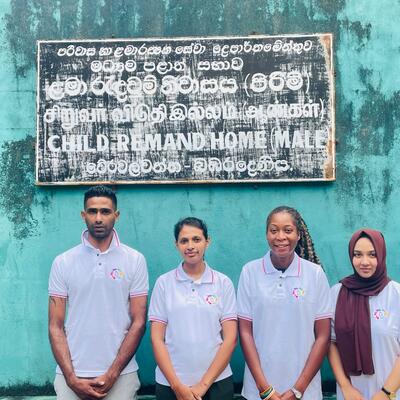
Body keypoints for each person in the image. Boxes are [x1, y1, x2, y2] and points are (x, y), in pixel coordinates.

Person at [48, 185, 148, 400]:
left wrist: (112, 374)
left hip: (122, 376)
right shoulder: (63, 262)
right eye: (92, 211)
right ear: (83, 215)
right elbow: (55, 326)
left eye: (105, 211)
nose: (98, 218)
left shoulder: (135, 260)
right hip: (71, 375)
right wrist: (71, 378)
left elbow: (139, 322)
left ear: (116, 215)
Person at [237, 205, 332, 400]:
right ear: (266, 234)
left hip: (305, 392)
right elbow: (245, 332)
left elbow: (323, 336)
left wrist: (298, 389)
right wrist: (265, 389)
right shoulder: (250, 272)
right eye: (274, 230)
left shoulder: (315, 274)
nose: (280, 237)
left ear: (298, 234)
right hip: (258, 391)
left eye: (288, 230)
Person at [149, 217, 237, 400]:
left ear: (207, 241)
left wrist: (203, 385)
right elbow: (157, 339)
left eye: (196, 239)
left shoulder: (223, 283)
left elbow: (230, 339)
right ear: (176, 244)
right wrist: (177, 386)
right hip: (171, 384)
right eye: (184, 241)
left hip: (217, 383)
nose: (190, 246)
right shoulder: (164, 283)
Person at [328, 228, 400, 400]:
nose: (364, 262)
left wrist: (386, 393)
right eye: (358, 255)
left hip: (391, 394)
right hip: (351, 394)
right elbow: (330, 343)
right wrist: (345, 386)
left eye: (372, 255)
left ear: (381, 255)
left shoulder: (396, 294)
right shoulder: (337, 293)